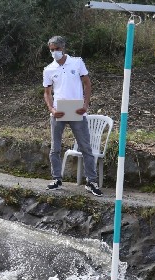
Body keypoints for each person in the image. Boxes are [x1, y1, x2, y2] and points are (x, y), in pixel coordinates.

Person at [43, 35, 103, 197]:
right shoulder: (49, 69)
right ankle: (57, 179)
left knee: (86, 147)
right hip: (58, 111)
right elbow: (47, 92)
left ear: (63, 48)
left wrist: (85, 105)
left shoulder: (77, 62)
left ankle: (91, 181)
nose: (55, 52)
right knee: (55, 148)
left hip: (77, 110)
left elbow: (87, 83)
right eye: (52, 50)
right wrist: (52, 109)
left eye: (57, 49)